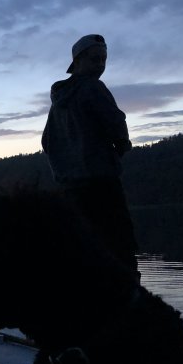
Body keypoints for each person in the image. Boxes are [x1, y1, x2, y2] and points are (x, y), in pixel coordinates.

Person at [42, 34, 139, 275]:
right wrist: (121, 147)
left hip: (69, 189)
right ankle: (129, 304)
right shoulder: (93, 88)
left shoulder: (58, 102)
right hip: (101, 185)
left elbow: (46, 141)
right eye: (95, 59)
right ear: (77, 62)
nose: (100, 65)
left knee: (81, 251)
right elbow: (116, 124)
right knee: (120, 248)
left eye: (104, 59)